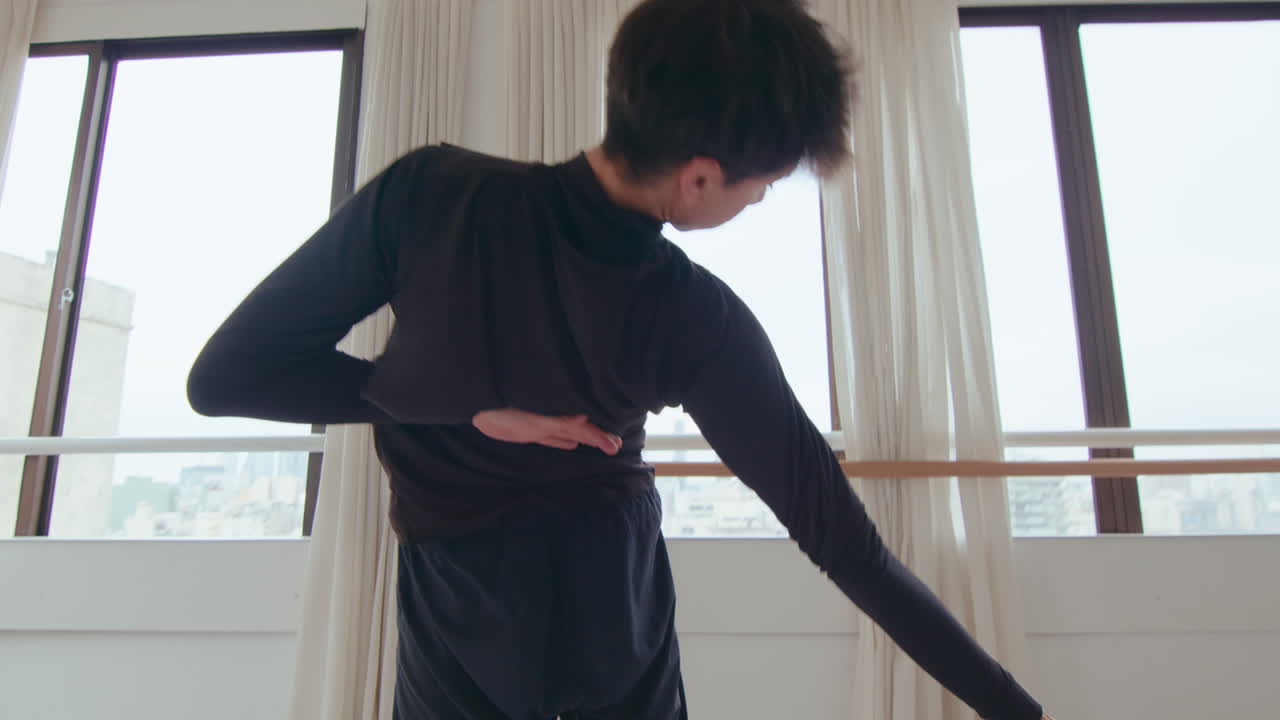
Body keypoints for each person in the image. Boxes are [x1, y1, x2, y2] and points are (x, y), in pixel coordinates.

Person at [187, 0, 1052, 718]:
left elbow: (229, 376)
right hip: (608, 611)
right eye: (763, 183)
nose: (759, 199)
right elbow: (847, 547)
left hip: (458, 606)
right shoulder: (694, 316)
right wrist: (1016, 710)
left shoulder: (428, 195)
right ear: (700, 177)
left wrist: (449, 402)